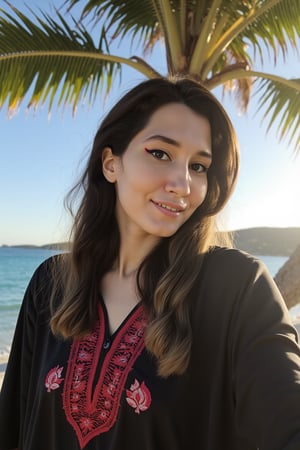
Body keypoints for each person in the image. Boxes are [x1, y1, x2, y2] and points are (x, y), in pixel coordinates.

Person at [0, 77, 300, 450]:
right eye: (160, 153)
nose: (182, 183)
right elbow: (12, 424)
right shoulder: (50, 283)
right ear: (111, 164)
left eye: (199, 167)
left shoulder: (237, 288)